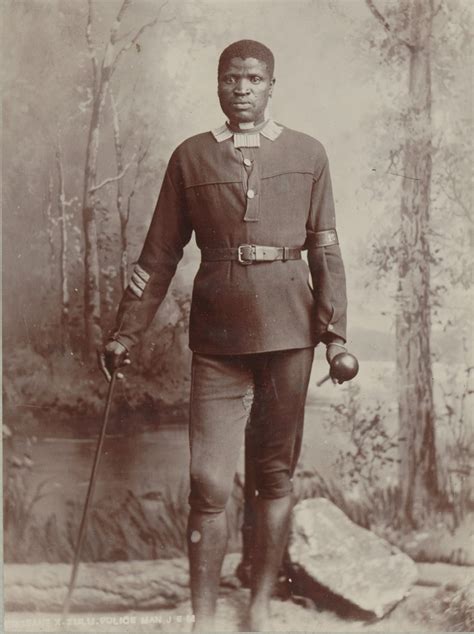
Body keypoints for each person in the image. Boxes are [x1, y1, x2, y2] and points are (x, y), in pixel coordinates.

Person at [99, 39, 348, 632]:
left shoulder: (309, 153)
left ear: (271, 85)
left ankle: (260, 605)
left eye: (254, 78)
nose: (242, 88)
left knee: (272, 476)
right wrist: (124, 334)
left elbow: (327, 250)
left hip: (290, 336)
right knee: (208, 482)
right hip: (217, 340)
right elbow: (156, 258)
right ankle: (205, 615)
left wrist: (334, 335)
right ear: (217, 84)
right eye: (231, 78)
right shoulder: (189, 158)